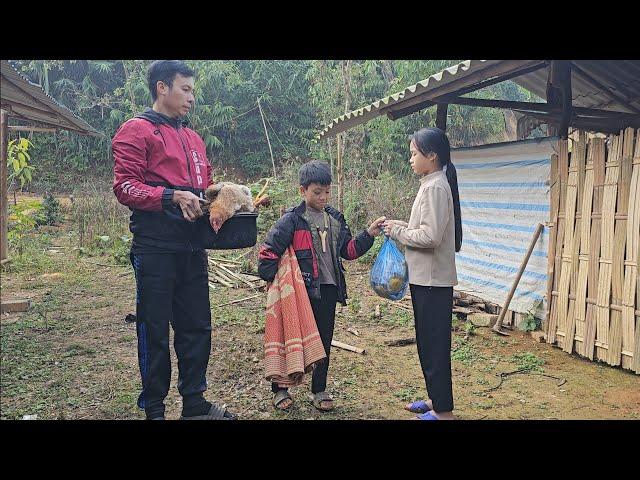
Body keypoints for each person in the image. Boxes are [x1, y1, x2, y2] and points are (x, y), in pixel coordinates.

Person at [112, 60, 234, 420]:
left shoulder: (192, 137)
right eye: (186, 89)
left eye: (193, 90)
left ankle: (194, 403)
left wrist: (220, 201)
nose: (191, 98)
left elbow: (205, 184)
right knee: (155, 328)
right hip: (155, 247)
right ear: (162, 88)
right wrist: (171, 197)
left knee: (197, 324)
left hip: (192, 247)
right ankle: (154, 408)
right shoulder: (136, 131)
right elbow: (125, 187)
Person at [258, 160, 385, 411]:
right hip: (297, 293)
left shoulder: (336, 219)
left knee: (323, 341)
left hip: (327, 290)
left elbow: (348, 251)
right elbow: (268, 252)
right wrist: (273, 282)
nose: (324, 197)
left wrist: (368, 233)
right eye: (317, 192)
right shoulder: (291, 220)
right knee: (289, 338)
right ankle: (281, 388)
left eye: (327, 191)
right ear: (302, 191)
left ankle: (319, 389)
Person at [382, 127, 461, 420]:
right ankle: (435, 400)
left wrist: (400, 231)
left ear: (432, 155)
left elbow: (430, 237)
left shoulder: (435, 187)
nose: (411, 159)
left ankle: (444, 413)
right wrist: (398, 225)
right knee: (428, 344)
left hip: (432, 282)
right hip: (425, 280)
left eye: (415, 154)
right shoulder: (431, 183)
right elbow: (424, 227)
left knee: (435, 347)